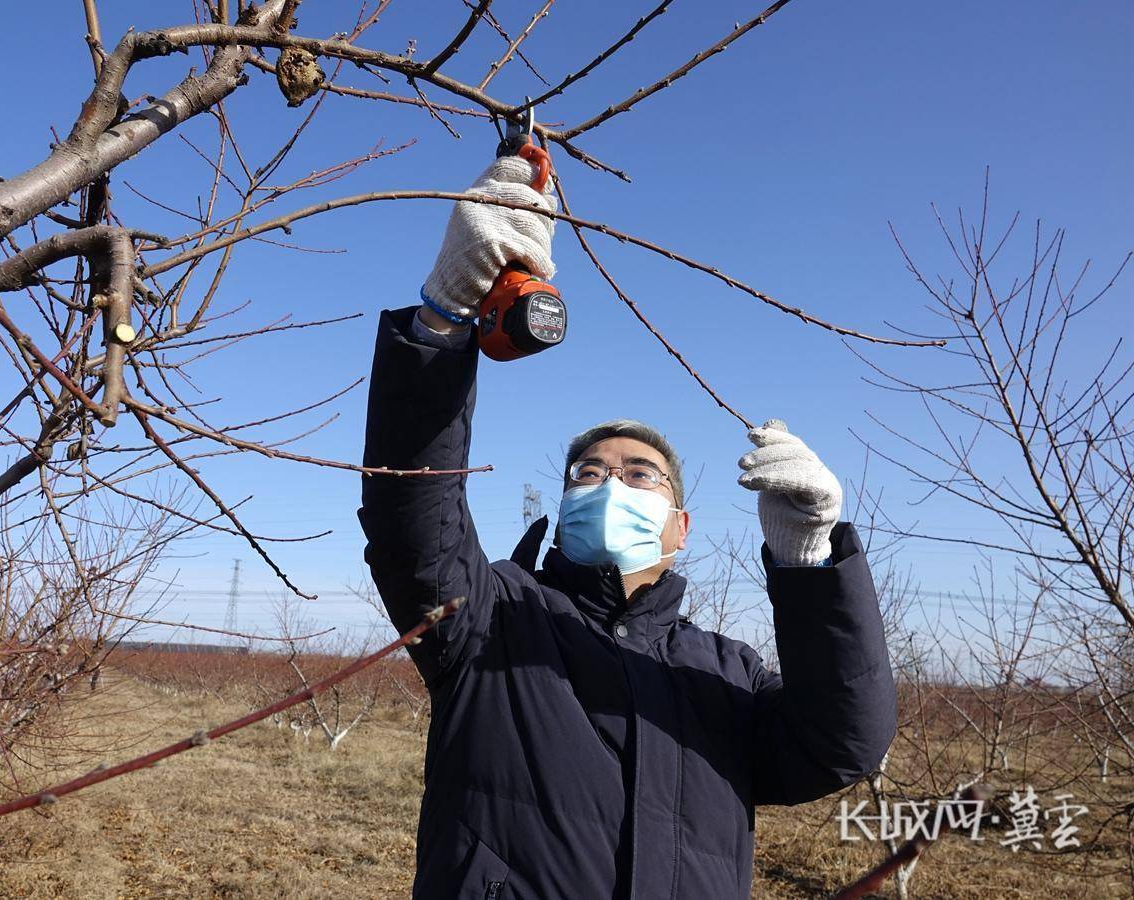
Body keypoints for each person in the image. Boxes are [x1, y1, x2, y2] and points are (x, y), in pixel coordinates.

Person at [358, 155, 896, 900]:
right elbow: (410, 516)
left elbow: (842, 745)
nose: (610, 483)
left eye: (640, 473)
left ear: (680, 526)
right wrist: (442, 323)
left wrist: (811, 562)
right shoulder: (492, 618)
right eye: (588, 472)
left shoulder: (726, 673)